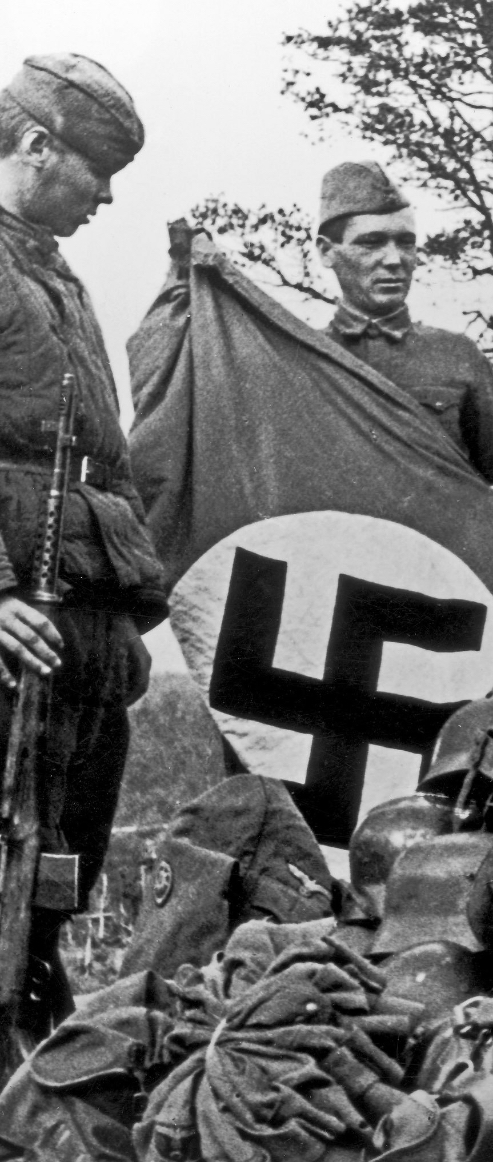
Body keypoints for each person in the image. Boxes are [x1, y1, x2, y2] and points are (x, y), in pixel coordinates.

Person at [0, 54, 165, 1039]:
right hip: (17, 631)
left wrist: (125, 613)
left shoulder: (57, 276)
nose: (106, 195)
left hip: (82, 633)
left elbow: (106, 459)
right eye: (95, 170)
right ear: (33, 146)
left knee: (60, 875)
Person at [316, 162, 493, 488]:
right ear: (327, 252)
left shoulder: (458, 356)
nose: (395, 259)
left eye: (406, 242)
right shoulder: (304, 357)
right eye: (371, 243)